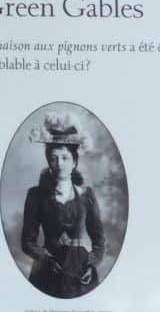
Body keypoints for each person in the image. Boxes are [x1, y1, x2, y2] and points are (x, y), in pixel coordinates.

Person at [20, 111, 105, 298]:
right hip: (47, 273)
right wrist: (45, 259)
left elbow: (99, 242)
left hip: (82, 274)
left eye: (65, 158)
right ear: (48, 161)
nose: (59, 164)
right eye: (54, 158)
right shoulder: (36, 196)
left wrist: (90, 263)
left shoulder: (86, 195)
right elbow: (27, 242)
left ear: (74, 162)